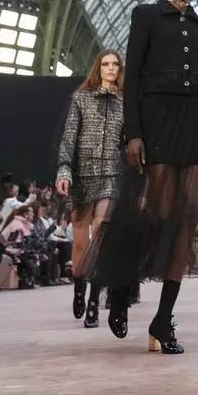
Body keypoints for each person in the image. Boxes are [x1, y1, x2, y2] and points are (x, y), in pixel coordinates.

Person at [81, 0, 198, 355]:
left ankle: (163, 321)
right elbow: (134, 77)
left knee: (188, 216)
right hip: (158, 120)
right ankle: (122, 287)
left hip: (195, 123)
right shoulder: (146, 16)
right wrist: (134, 133)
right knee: (158, 213)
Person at [55, 49, 125, 328]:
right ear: (98, 68)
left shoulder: (126, 103)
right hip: (82, 176)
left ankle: (95, 301)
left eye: (115, 65)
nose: (110, 68)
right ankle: (79, 289)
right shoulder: (80, 98)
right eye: (105, 64)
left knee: (102, 236)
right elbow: (68, 137)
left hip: (111, 174)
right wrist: (64, 170)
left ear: (120, 69)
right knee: (81, 242)